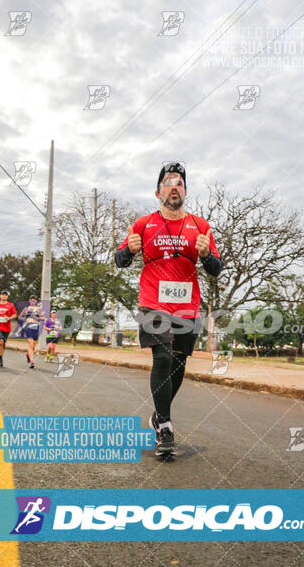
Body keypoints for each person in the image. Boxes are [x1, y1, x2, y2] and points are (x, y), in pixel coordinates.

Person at [115, 162, 223, 454]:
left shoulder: (201, 227)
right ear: (157, 191)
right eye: (168, 182)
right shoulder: (143, 224)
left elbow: (215, 268)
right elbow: (120, 260)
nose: (174, 186)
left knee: (178, 363)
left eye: (180, 183)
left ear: (185, 191)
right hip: (153, 302)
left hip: (187, 305)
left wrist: (205, 255)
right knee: (161, 357)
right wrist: (129, 250)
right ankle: (164, 425)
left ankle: (157, 415)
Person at [0, 290, 17, 368]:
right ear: (0, 296)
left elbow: (15, 314)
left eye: (5, 295)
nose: (4, 296)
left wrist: (9, 318)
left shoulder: (10, 305)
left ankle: (1, 355)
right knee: (0, 342)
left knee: (3, 343)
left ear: (7, 297)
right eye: (2, 295)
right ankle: (0, 358)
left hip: (7, 327)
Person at [18, 295, 45, 369]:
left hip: (36, 328)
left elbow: (43, 318)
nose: (33, 301)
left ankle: (28, 355)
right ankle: (31, 362)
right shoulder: (26, 309)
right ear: (29, 301)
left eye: (34, 300)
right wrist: (26, 317)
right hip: (28, 327)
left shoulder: (38, 309)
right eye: (31, 300)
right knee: (31, 343)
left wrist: (38, 317)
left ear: (36, 301)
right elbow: (19, 317)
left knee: (33, 346)